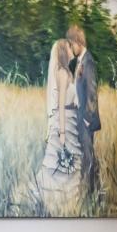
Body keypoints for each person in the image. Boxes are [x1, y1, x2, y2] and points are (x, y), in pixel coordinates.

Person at [37, 37, 82, 204]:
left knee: (67, 163)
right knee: (62, 162)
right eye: (69, 47)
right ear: (64, 52)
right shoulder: (62, 73)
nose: (72, 50)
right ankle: (59, 198)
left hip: (70, 120)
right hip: (64, 123)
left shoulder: (67, 72)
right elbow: (61, 105)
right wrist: (62, 132)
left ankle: (66, 199)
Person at [67, 23, 101, 197]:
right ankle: (89, 188)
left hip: (86, 118)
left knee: (88, 154)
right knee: (85, 154)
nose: (71, 48)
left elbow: (92, 92)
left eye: (71, 44)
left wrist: (87, 117)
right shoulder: (79, 62)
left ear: (78, 41)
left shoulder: (88, 61)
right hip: (80, 116)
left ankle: (92, 191)